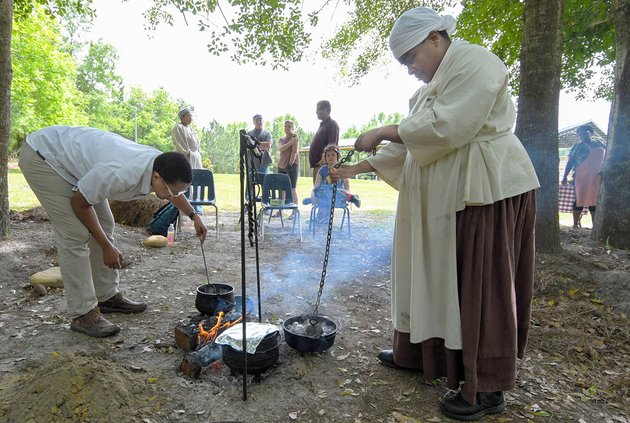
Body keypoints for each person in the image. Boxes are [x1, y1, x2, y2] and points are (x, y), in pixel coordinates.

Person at [329, 8, 539, 421]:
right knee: (433, 276)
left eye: (410, 58)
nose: (409, 70)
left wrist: (384, 130)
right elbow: (412, 142)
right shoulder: (429, 88)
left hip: (484, 192)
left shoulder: (477, 63)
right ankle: (421, 354)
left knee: (479, 285)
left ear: (434, 39)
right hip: (445, 199)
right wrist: (353, 169)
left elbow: (448, 128)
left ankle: (487, 385)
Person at [19, 126, 208, 338]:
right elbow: (80, 203)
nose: (175, 195)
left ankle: (106, 296)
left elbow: (172, 190)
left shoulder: (161, 164)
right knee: (75, 234)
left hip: (73, 164)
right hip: (43, 158)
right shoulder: (121, 173)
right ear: (156, 177)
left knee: (104, 223)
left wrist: (194, 215)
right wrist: (107, 247)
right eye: (174, 191)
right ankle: (83, 313)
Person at [561, 124, 605, 229]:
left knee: (594, 201)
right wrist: (564, 176)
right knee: (578, 200)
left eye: (586, 132)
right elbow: (570, 162)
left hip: (597, 177)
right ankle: (575, 225)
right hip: (581, 177)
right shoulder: (576, 146)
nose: (582, 135)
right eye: (580, 133)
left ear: (591, 133)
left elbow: (608, 158)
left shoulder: (600, 144)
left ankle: (595, 227)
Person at [311, 144, 360, 223]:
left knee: (336, 192)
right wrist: (313, 195)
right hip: (324, 194)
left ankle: (352, 198)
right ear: (325, 158)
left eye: (333, 155)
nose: (330, 157)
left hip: (338, 195)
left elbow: (347, 188)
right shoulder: (322, 169)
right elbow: (316, 185)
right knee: (321, 191)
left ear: (338, 156)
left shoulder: (342, 169)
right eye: (328, 155)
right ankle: (321, 217)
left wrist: (346, 192)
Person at [172, 108, 204, 214]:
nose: (190, 118)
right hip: (186, 159)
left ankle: (197, 206)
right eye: (188, 116)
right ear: (182, 117)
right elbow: (179, 143)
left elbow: (196, 144)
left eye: (191, 116)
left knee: (197, 182)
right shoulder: (178, 127)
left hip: (195, 158)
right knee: (185, 182)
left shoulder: (191, 129)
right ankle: (185, 207)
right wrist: (188, 153)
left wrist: (197, 154)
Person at [308, 100, 339, 184]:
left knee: (323, 191)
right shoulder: (323, 125)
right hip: (318, 165)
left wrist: (323, 160)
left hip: (323, 166)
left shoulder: (332, 124)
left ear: (325, 109)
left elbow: (332, 145)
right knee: (316, 190)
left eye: (318, 109)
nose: (316, 112)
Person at [277, 120, 300, 219]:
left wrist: (290, 164)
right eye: (285, 126)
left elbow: (294, 152)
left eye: (289, 127)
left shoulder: (295, 138)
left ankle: (294, 212)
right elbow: (281, 149)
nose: (287, 128)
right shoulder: (282, 139)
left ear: (293, 128)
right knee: (282, 189)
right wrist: (291, 142)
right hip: (281, 165)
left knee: (293, 188)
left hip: (291, 166)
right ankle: (280, 210)